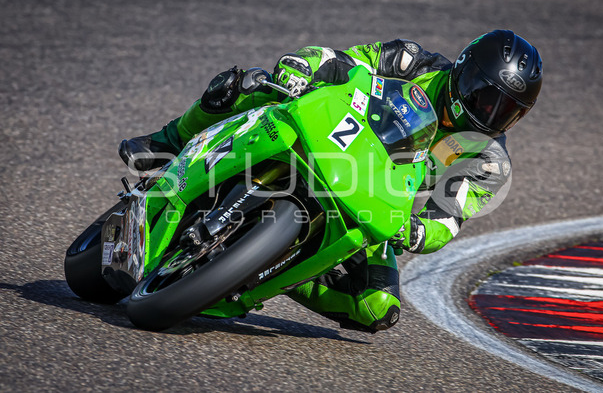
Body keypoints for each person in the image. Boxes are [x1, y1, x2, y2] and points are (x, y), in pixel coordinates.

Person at [119, 30, 543, 333]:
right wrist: (304, 65)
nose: (489, 114)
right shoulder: (412, 61)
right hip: (331, 132)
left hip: (371, 196)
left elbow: (448, 219)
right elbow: (341, 60)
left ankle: (255, 270)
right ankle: (168, 141)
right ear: (464, 71)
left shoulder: (487, 161)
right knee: (248, 84)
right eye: (484, 96)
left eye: (506, 111)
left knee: (376, 308)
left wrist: (417, 232)